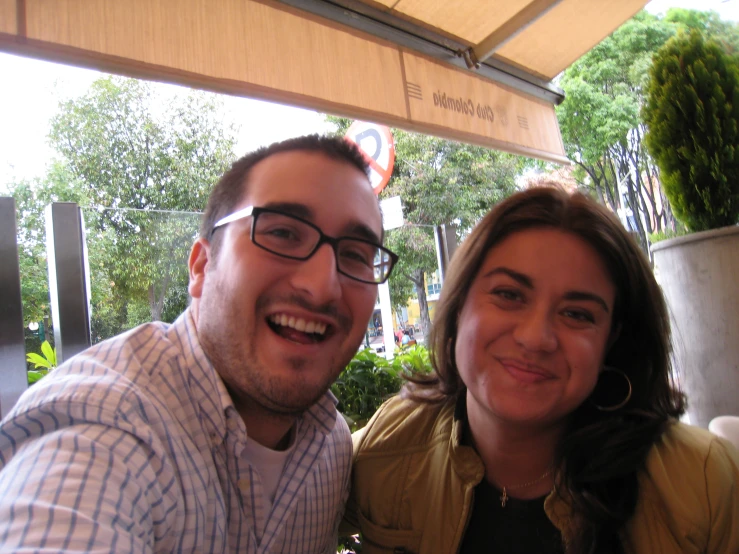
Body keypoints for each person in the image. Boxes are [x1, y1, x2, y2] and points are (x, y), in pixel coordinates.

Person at [0, 135, 398, 553]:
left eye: (356, 254)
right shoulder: (105, 423)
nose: (321, 288)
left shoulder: (329, 445)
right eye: (282, 233)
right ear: (202, 266)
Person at [344, 187, 739, 553]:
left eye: (577, 314)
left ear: (611, 342)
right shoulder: (389, 447)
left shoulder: (703, 482)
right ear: (459, 304)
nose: (536, 338)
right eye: (509, 294)